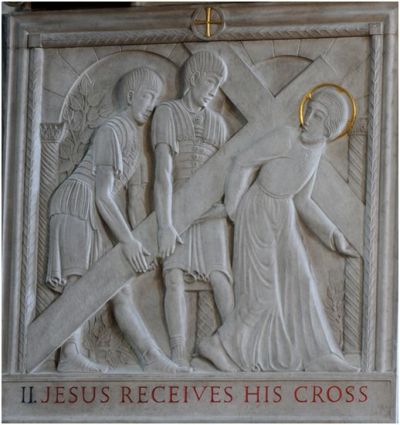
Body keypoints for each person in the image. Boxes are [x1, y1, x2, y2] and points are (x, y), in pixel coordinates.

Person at [198, 86, 359, 372]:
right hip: (258, 211)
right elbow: (243, 162)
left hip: (283, 213)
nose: (308, 118)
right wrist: (234, 207)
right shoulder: (286, 137)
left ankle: (320, 355)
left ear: (329, 130)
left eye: (318, 116)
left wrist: (333, 236)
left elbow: (302, 200)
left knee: (302, 281)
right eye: (309, 110)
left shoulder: (316, 150)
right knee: (262, 294)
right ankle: (218, 345)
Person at [46, 67, 187, 373]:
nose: (152, 104)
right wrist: (128, 241)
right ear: (132, 96)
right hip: (78, 202)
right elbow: (102, 194)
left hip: (98, 210)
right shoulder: (112, 129)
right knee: (78, 282)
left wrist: (140, 243)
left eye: (156, 98)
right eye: (149, 96)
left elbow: (132, 200)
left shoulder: (132, 139)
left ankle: (151, 358)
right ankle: (68, 355)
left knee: (117, 288)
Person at [152, 51, 235, 367]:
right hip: (178, 211)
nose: (215, 89)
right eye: (213, 81)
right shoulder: (167, 113)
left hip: (211, 213)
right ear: (195, 77)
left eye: (219, 84)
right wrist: (165, 224)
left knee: (220, 277)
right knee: (173, 277)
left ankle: (232, 350)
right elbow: (162, 174)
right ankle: (177, 356)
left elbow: (225, 176)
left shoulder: (218, 124)